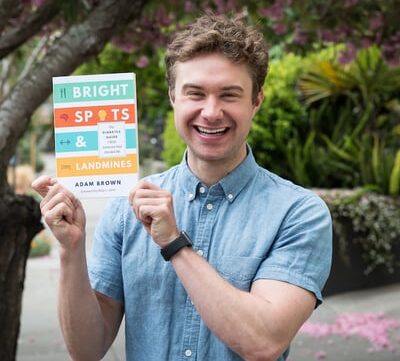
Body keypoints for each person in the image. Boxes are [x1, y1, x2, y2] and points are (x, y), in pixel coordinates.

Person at [32, 13, 332, 361]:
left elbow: (262, 342)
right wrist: (71, 250)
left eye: (229, 95)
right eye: (195, 93)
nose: (211, 111)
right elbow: (87, 350)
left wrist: (174, 243)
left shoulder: (298, 213)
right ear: (173, 96)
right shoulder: (124, 210)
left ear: (257, 101)